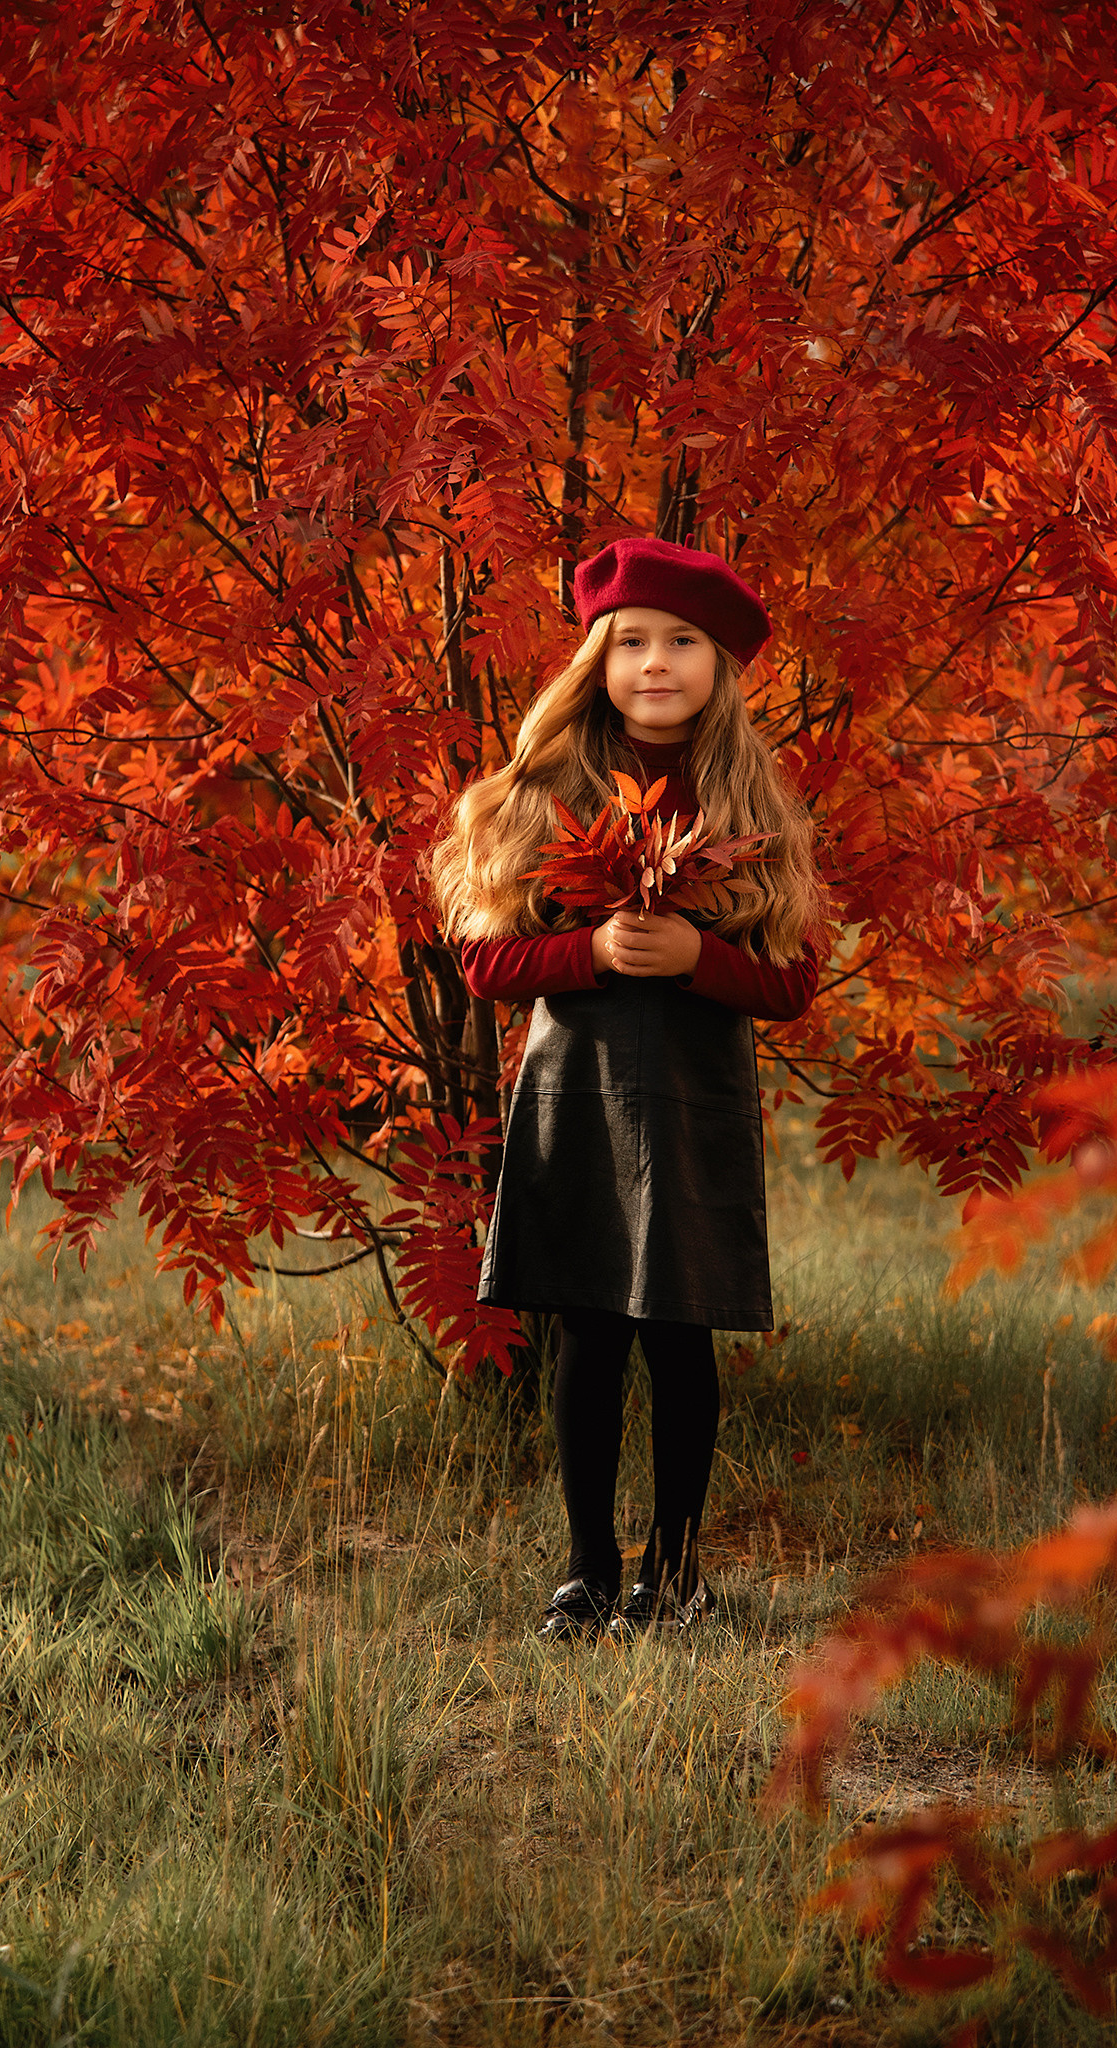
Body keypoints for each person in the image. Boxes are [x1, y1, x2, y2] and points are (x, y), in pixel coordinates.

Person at [430, 535, 825, 1640]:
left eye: (682, 642)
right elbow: (482, 961)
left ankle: (680, 1566)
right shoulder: (547, 789)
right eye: (632, 641)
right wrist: (588, 953)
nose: (656, 663)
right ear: (596, 658)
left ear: (720, 662)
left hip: (693, 1099)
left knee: (677, 1330)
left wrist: (703, 960)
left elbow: (790, 979)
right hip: (576, 1095)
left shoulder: (748, 795)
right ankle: (590, 1569)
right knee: (588, 1329)